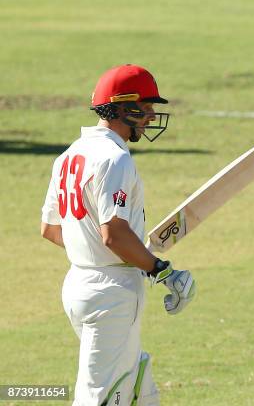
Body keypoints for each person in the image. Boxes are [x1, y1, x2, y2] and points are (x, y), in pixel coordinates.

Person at [41, 64, 196, 406]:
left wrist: (111, 253)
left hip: (80, 285)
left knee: (138, 383)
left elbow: (51, 229)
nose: (152, 115)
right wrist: (160, 269)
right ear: (125, 107)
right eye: (147, 106)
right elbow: (114, 234)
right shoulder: (114, 159)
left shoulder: (68, 156)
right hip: (111, 295)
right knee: (100, 396)